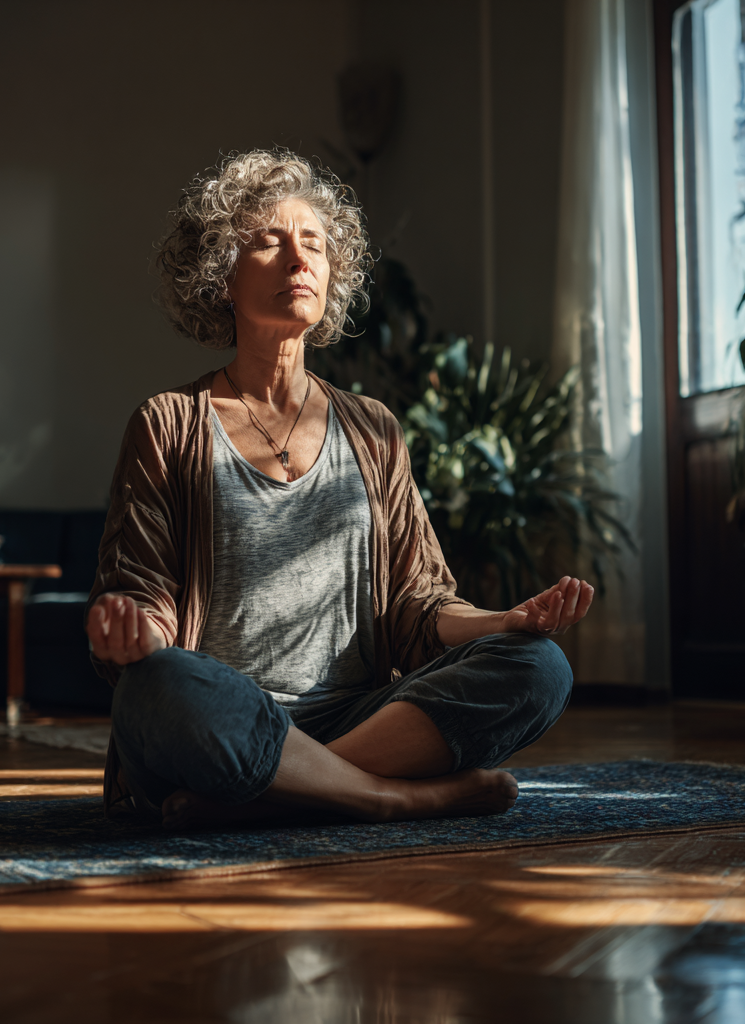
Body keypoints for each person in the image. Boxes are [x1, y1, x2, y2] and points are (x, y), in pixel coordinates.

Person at [86, 149, 593, 830]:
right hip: (226, 711)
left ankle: (287, 785)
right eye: (268, 241)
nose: (299, 260)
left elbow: (420, 603)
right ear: (220, 278)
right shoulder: (170, 424)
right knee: (162, 686)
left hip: (361, 714)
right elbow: (144, 597)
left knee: (541, 668)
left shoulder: (373, 428)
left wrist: (505, 622)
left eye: (315, 244)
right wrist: (132, 639)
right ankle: (387, 796)